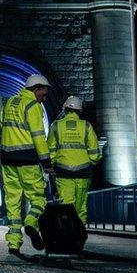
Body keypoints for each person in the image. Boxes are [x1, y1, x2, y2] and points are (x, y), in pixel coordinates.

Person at [0, 74, 52, 254]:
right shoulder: (33, 106)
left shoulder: (9, 103)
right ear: (36, 88)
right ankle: (31, 223)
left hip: (7, 159)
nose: (44, 98)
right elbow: (38, 136)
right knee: (38, 198)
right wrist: (46, 162)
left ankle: (13, 243)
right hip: (27, 159)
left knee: (12, 202)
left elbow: (2, 125)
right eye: (43, 94)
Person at [47, 95, 101, 224]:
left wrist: (53, 163)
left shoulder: (56, 126)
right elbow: (94, 150)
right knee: (81, 205)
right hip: (83, 171)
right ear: (79, 110)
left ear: (65, 109)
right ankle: (79, 234)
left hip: (63, 171)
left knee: (66, 204)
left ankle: (67, 233)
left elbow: (50, 149)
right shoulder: (86, 126)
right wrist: (91, 162)